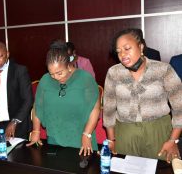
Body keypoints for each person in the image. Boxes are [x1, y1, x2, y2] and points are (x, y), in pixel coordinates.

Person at [103, 28, 182, 162]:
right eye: (118, 51)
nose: (122, 54)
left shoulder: (163, 69)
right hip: (125, 132)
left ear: (141, 47)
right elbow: (109, 109)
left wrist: (173, 140)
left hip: (158, 131)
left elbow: (179, 107)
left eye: (127, 48)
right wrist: (111, 139)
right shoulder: (113, 73)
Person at [27, 41, 100, 156]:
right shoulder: (45, 80)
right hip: (55, 137)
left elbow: (95, 109)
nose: (55, 77)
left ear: (68, 65)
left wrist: (87, 134)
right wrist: (36, 131)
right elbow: (38, 106)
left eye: (59, 73)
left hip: (82, 137)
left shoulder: (85, 78)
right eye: (52, 74)